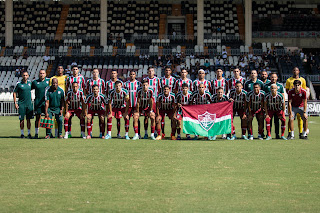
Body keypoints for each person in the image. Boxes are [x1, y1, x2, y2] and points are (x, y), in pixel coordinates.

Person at [285, 67, 308, 138]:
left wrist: (304, 112)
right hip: (293, 105)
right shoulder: (289, 80)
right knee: (291, 118)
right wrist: (290, 112)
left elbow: (305, 101)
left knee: (304, 118)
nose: (297, 87)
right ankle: (291, 134)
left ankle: (303, 133)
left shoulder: (303, 81)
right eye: (294, 70)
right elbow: (289, 101)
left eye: (297, 70)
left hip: (301, 105)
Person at [263, 72, 285, 139]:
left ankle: (278, 134)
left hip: (278, 108)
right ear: (270, 78)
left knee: (277, 121)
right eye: (272, 77)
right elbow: (264, 96)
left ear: (277, 78)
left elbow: (282, 97)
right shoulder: (266, 86)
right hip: (270, 107)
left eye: (275, 77)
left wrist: (283, 111)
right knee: (269, 120)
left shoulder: (280, 86)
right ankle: (268, 135)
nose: (273, 78)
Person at [13, 70, 33, 139]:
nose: (25, 76)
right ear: (22, 76)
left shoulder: (30, 83)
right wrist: (15, 103)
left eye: (26, 75)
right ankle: (22, 134)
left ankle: (29, 133)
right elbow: (14, 93)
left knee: (29, 119)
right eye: (24, 75)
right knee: (22, 119)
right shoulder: (19, 84)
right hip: (21, 104)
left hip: (29, 104)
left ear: (28, 76)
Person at [31, 69, 50, 139]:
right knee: (37, 118)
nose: (42, 74)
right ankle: (36, 133)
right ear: (39, 74)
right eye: (41, 73)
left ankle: (48, 134)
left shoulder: (48, 81)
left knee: (47, 117)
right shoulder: (35, 82)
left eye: (43, 73)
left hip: (46, 103)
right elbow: (28, 90)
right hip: (38, 103)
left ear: (45, 74)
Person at [50, 65, 67, 137]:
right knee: (55, 118)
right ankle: (56, 132)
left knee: (64, 117)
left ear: (63, 70)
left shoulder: (66, 78)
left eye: (61, 68)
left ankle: (66, 133)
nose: (60, 70)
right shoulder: (52, 78)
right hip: (55, 99)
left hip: (64, 100)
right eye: (58, 68)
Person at [143, 67, 161, 139]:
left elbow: (159, 90)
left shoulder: (157, 80)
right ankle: (146, 133)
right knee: (146, 117)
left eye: (152, 71)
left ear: (154, 72)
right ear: (147, 72)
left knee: (156, 117)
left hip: (155, 101)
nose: (151, 72)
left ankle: (155, 133)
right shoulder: (145, 80)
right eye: (149, 71)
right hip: (147, 101)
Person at [105, 70, 124, 138]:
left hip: (119, 104)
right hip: (111, 104)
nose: (113, 74)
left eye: (114, 73)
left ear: (117, 74)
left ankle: (118, 134)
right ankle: (109, 134)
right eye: (112, 73)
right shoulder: (108, 83)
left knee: (118, 119)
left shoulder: (121, 82)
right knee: (109, 117)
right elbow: (106, 93)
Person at [123, 70, 141, 138]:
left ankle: (137, 134)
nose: (132, 75)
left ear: (135, 75)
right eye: (131, 74)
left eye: (133, 74)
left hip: (136, 105)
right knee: (127, 119)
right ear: (129, 75)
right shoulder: (126, 84)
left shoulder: (138, 84)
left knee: (136, 119)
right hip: (128, 105)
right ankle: (126, 134)